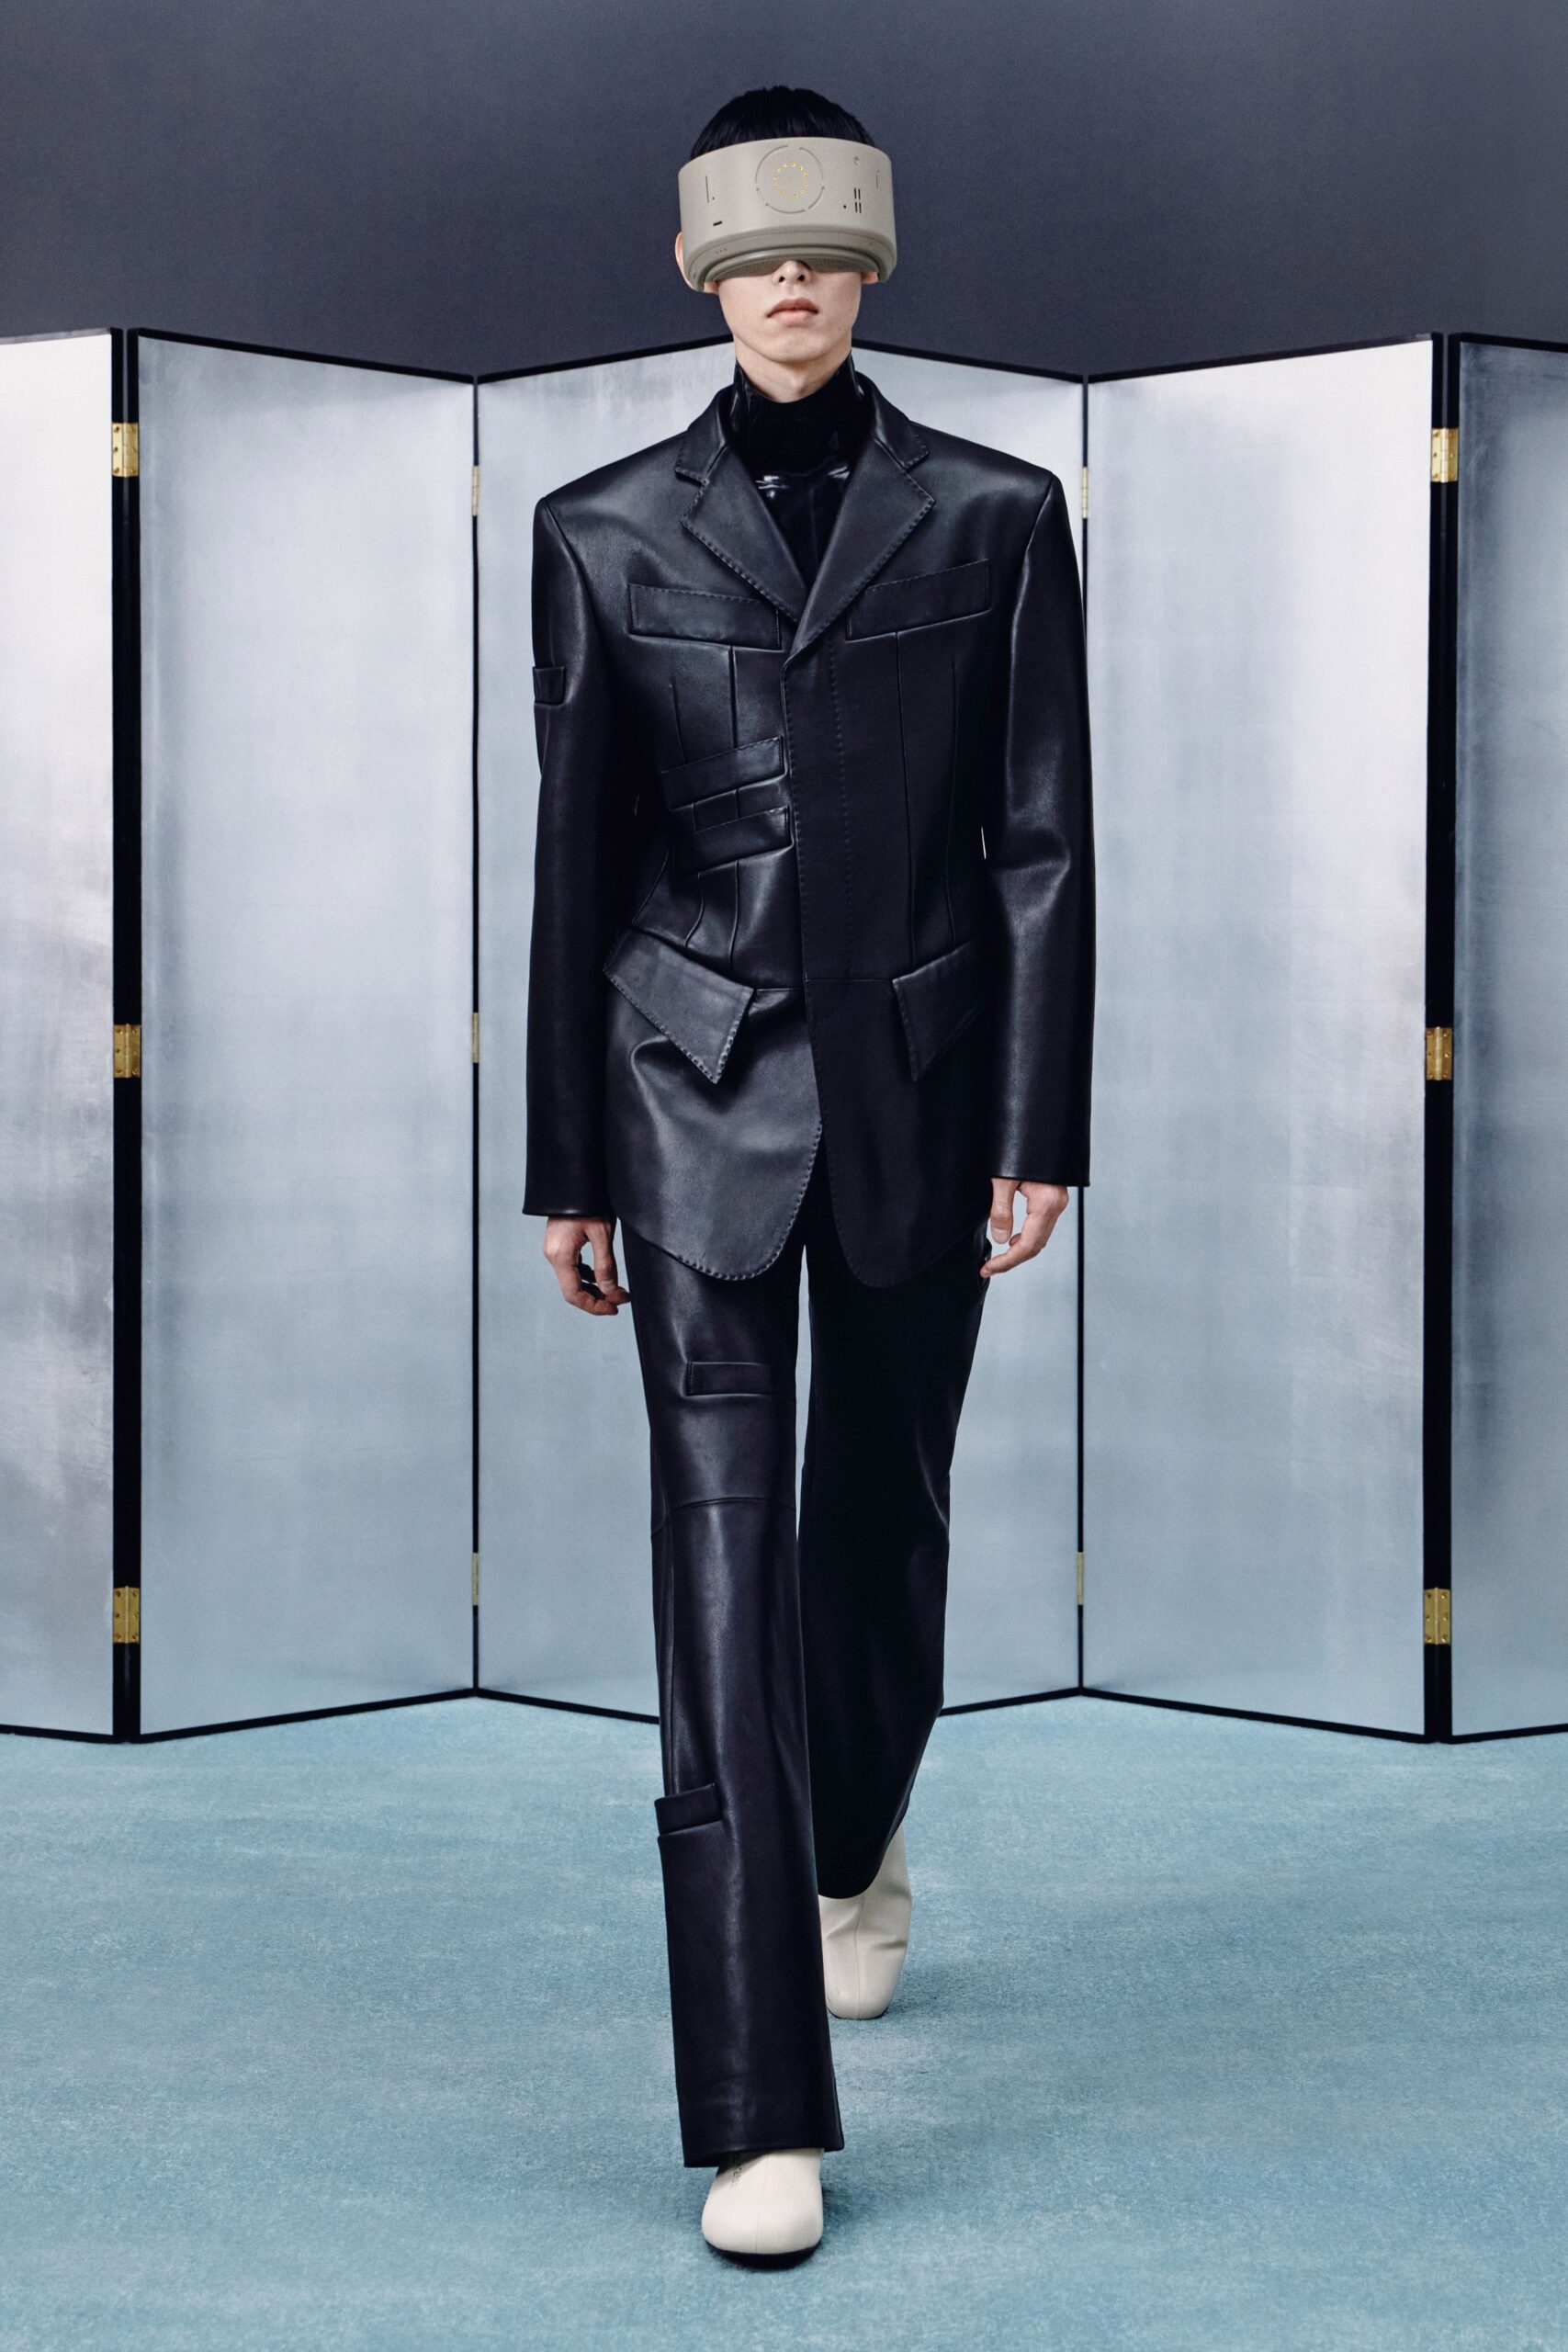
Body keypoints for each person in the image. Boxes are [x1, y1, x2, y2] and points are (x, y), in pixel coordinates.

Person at [524, 83, 1095, 2263]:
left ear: (865, 266)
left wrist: (1038, 1122)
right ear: (702, 272)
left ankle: (855, 1841)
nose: (789, 283)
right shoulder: (598, 530)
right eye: (753, 253)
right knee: (719, 1587)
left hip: (921, 1093)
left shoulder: (993, 517)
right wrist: (566, 1165)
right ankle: (758, 2109)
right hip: (684, 1104)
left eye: (821, 251)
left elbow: (1037, 842)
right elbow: (576, 867)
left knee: (878, 1536)